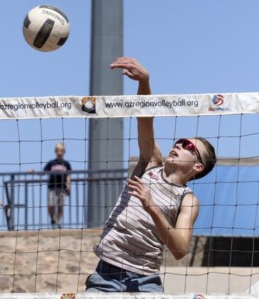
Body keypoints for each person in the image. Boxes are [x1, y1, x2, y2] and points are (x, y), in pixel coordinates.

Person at [85, 57, 217, 293]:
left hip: (145, 281)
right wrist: (144, 83)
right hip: (106, 274)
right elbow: (145, 119)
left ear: (198, 166)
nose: (179, 144)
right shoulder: (151, 163)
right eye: (180, 141)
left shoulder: (187, 200)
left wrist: (151, 206)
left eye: (188, 146)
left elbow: (180, 250)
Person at [44, 143, 71, 228]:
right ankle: (52, 219)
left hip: (62, 187)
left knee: (60, 206)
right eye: (58, 151)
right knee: (51, 205)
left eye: (61, 151)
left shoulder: (66, 164)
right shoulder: (51, 163)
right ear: (55, 151)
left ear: (64, 152)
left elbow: (68, 175)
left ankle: (57, 221)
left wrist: (68, 186)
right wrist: (33, 172)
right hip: (52, 187)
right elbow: (43, 172)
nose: (60, 153)